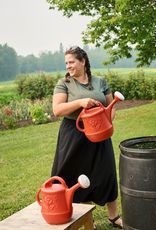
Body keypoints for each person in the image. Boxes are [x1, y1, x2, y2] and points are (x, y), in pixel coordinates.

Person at [51, 46, 123, 229]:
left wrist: (106, 121)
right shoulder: (64, 83)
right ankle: (85, 219)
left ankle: (113, 217)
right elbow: (57, 110)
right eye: (66, 62)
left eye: (72, 62)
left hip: (99, 133)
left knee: (106, 172)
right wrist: (80, 102)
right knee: (74, 175)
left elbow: (111, 106)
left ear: (83, 61)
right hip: (74, 134)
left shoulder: (100, 82)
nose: (68, 66)